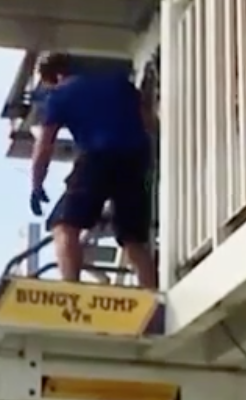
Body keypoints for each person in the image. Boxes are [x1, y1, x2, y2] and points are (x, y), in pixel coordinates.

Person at [27, 52, 160, 289]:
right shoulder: (119, 84)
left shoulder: (59, 94)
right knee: (133, 238)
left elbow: (44, 145)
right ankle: (152, 293)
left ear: (56, 76)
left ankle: (71, 289)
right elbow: (149, 122)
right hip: (137, 159)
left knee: (63, 225)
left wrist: (36, 185)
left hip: (97, 157)